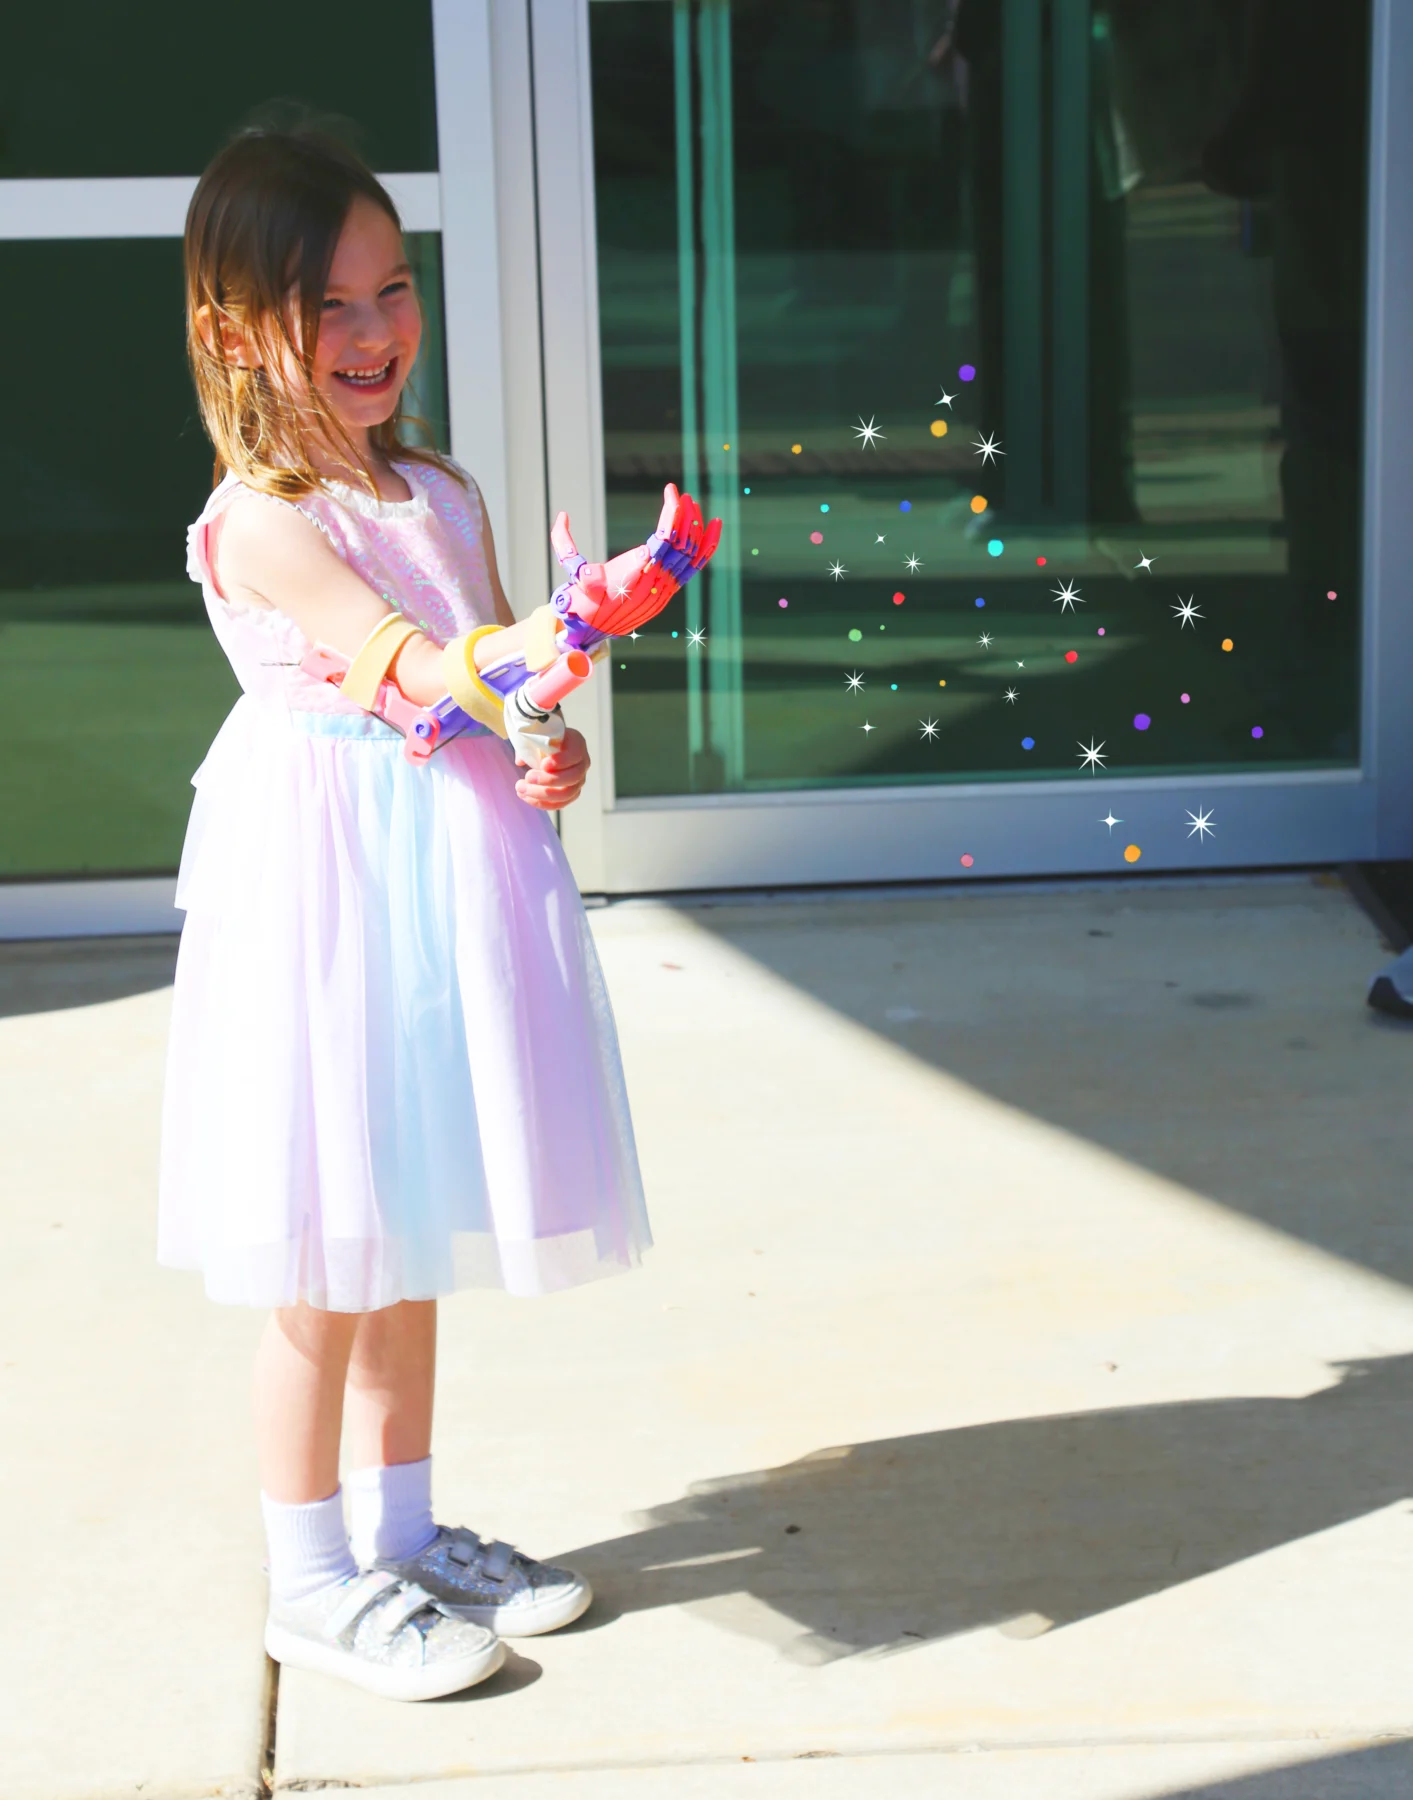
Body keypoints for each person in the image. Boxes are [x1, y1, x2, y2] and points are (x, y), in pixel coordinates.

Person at [158, 125, 652, 1702]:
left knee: (411, 1223)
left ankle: (409, 1529)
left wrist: (544, 736)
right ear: (237, 332)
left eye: (394, 290)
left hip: (443, 883)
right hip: (327, 894)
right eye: (331, 306)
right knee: (326, 1250)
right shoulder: (264, 518)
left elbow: (484, 689)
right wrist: (548, 638)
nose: (376, 334)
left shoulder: (436, 486)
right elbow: (411, 665)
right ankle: (307, 1576)